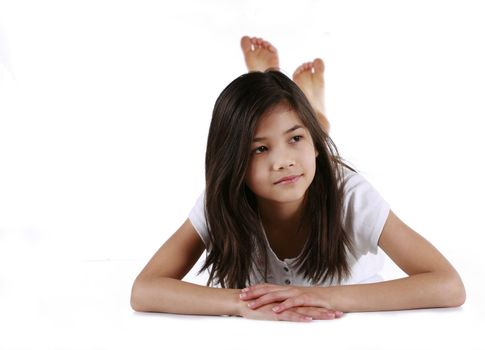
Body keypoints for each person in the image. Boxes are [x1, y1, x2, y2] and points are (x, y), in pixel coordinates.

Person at [130, 36, 466, 322]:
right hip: (295, 154)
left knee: (297, 133)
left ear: (315, 146)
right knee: (280, 123)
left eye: (296, 139)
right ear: (232, 163)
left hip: (323, 173)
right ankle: (284, 93)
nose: (282, 163)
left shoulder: (349, 193)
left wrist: (322, 296)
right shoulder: (221, 201)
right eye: (259, 149)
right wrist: (240, 304)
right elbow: (144, 290)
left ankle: (302, 106)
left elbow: (448, 285)